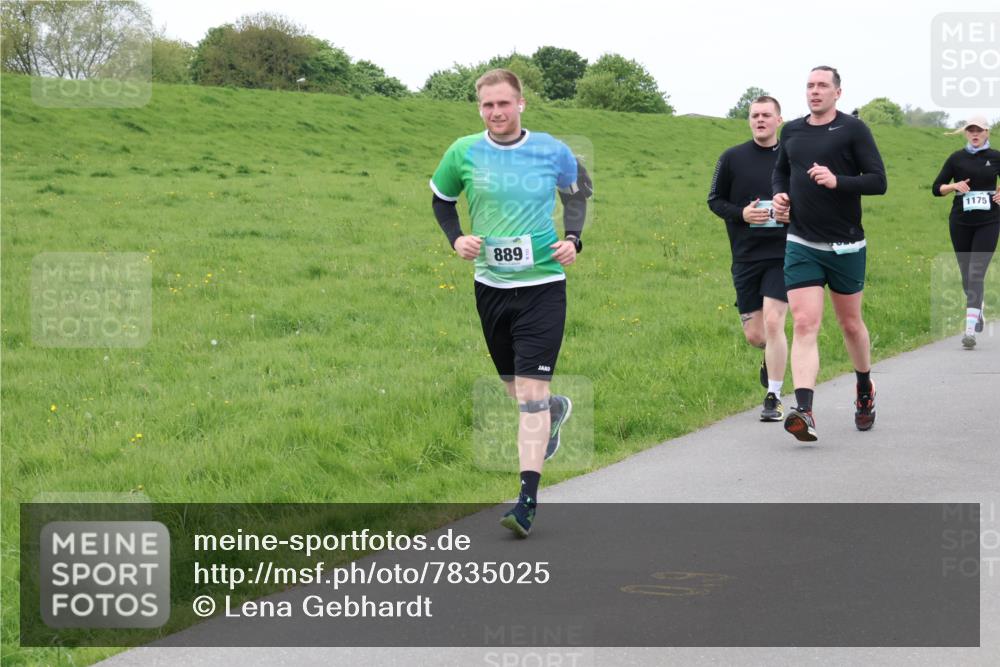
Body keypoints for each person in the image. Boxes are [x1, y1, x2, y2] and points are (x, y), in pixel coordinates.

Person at [429, 69, 591, 537]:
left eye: (504, 103)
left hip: (543, 285)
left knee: (530, 397)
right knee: (514, 390)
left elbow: (578, 192)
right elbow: (441, 200)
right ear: (480, 108)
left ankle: (526, 501)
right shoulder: (463, 151)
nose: (496, 112)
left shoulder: (551, 150)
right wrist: (456, 238)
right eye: (487, 106)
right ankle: (556, 409)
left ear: (521, 104)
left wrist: (574, 239)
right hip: (491, 287)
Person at [771, 66, 887, 442]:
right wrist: (780, 196)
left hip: (846, 244)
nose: (814, 91)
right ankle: (804, 411)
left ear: (838, 92)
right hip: (801, 241)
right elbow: (781, 172)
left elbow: (878, 181)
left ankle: (864, 388)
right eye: (809, 85)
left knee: (851, 324)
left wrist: (839, 181)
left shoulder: (854, 130)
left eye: (822, 86)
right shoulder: (792, 131)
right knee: (804, 323)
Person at [708, 96, 790, 421]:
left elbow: (811, 200)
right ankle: (770, 356)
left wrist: (792, 212)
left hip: (783, 253)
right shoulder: (732, 158)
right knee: (757, 335)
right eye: (755, 115)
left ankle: (774, 397)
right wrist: (742, 214)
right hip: (745, 256)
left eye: (766, 115)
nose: (760, 120)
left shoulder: (791, 158)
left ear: (778, 120)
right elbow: (714, 200)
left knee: (774, 322)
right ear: (749, 120)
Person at [931, 115, 1000, 349]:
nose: (975, 134)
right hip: (960, 222)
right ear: (965, 133)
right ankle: (977, 309)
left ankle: (969, 330)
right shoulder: (956, 159)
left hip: (989, 221)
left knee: (976, 271)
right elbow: (936, 188)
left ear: (987, 132)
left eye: (979, 130)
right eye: (971, 130)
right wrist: (953, 186)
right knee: (966, 273)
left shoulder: (996, 157)